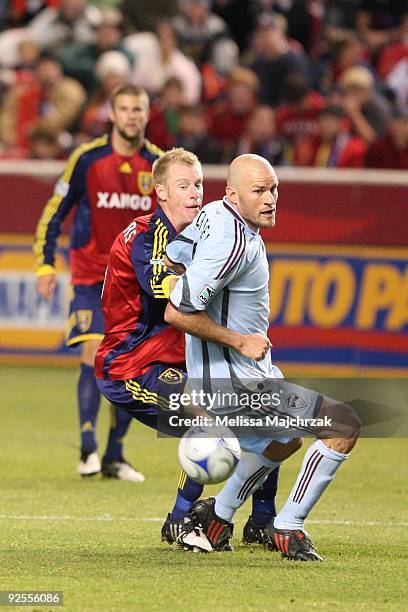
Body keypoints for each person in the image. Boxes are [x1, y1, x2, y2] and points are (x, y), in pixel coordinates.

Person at [164, 153, 361, 559]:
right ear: (234, 194)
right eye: (260, 191)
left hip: (232, 378)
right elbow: (176, 310)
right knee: (343, 425)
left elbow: (173, 258)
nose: (271, 198)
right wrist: (236, 339)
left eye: (274, 189)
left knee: (285, 439)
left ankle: (218, 517)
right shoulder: (233, 242)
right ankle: (288, 527)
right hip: (235, 385)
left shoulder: (214, 213)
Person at [94, 147, 284, 548]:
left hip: (176, 360)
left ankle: (262, 520)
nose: (195, 193)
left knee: (265, 413)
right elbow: (179, 306)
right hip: (131, 366)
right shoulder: (149, 239)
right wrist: (238, 337)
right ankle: (181, 521)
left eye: (198, 184)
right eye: (184, 186)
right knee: (212, 417)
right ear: (160, 192)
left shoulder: (200, 229)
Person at [33, 84, 162, 481]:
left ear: (146, 113)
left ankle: (115, 455)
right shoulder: (87, 159)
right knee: (92, 352)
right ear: (112, 113)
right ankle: (88, 449)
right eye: (124, 108)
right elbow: (54, 212)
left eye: (137, 109)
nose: (131, 116)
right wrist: (45, 264)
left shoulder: (159, 165)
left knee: (129, 366)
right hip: (91, 276)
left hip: (138, 284)